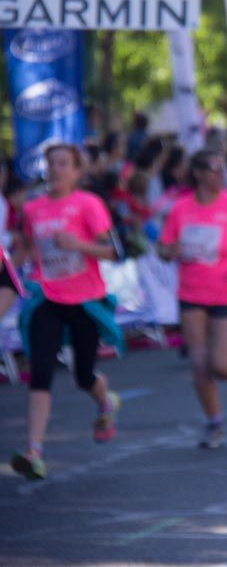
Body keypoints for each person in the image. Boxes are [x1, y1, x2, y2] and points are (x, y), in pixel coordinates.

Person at [11, 145, 122, 480]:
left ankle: (106, 402)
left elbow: (113, 251)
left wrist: (78, 246)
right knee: (41, 370)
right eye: (51, 164)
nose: (56, 170)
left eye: (63, 164)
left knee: (83, 375)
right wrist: (11, 268)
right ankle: (34, 451)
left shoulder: (89, 204)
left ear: (77, 172)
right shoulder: (33, 209)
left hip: (86, 300)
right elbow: (29, 250)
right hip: (47, 296)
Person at [158, 150, 227, 449]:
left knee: (221, 363)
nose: (222, 174)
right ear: (198, 174)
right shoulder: (181, 209)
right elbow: (163, 249)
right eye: (215, 169)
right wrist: (172, 250)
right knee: (199, 363)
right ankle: (214, 423)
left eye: (224, 168)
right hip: (192, 293)